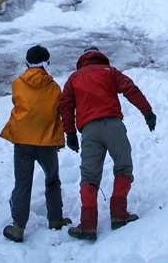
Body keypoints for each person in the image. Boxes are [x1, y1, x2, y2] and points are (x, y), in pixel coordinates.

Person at [60, 46, 157, 241]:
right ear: (99, 57)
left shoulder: (74, 78)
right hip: (114, 126)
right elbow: (131, 89)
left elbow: (66, 105)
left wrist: (70, 132)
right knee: (123, 167)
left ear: (83, 59)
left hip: (89, 130)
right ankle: (119, 215)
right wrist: (147, 112)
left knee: (89, 175)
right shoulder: (110, 72)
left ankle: (88, 225)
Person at [0, 45, 73, 243]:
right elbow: (59, 111)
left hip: (23, 140)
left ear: (26, 64)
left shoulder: (17, 83)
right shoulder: (55, 87)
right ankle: (56, 218)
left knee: (22, 183)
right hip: (47, 141)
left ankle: (17, 227)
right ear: (47, 64)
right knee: (52, 180)